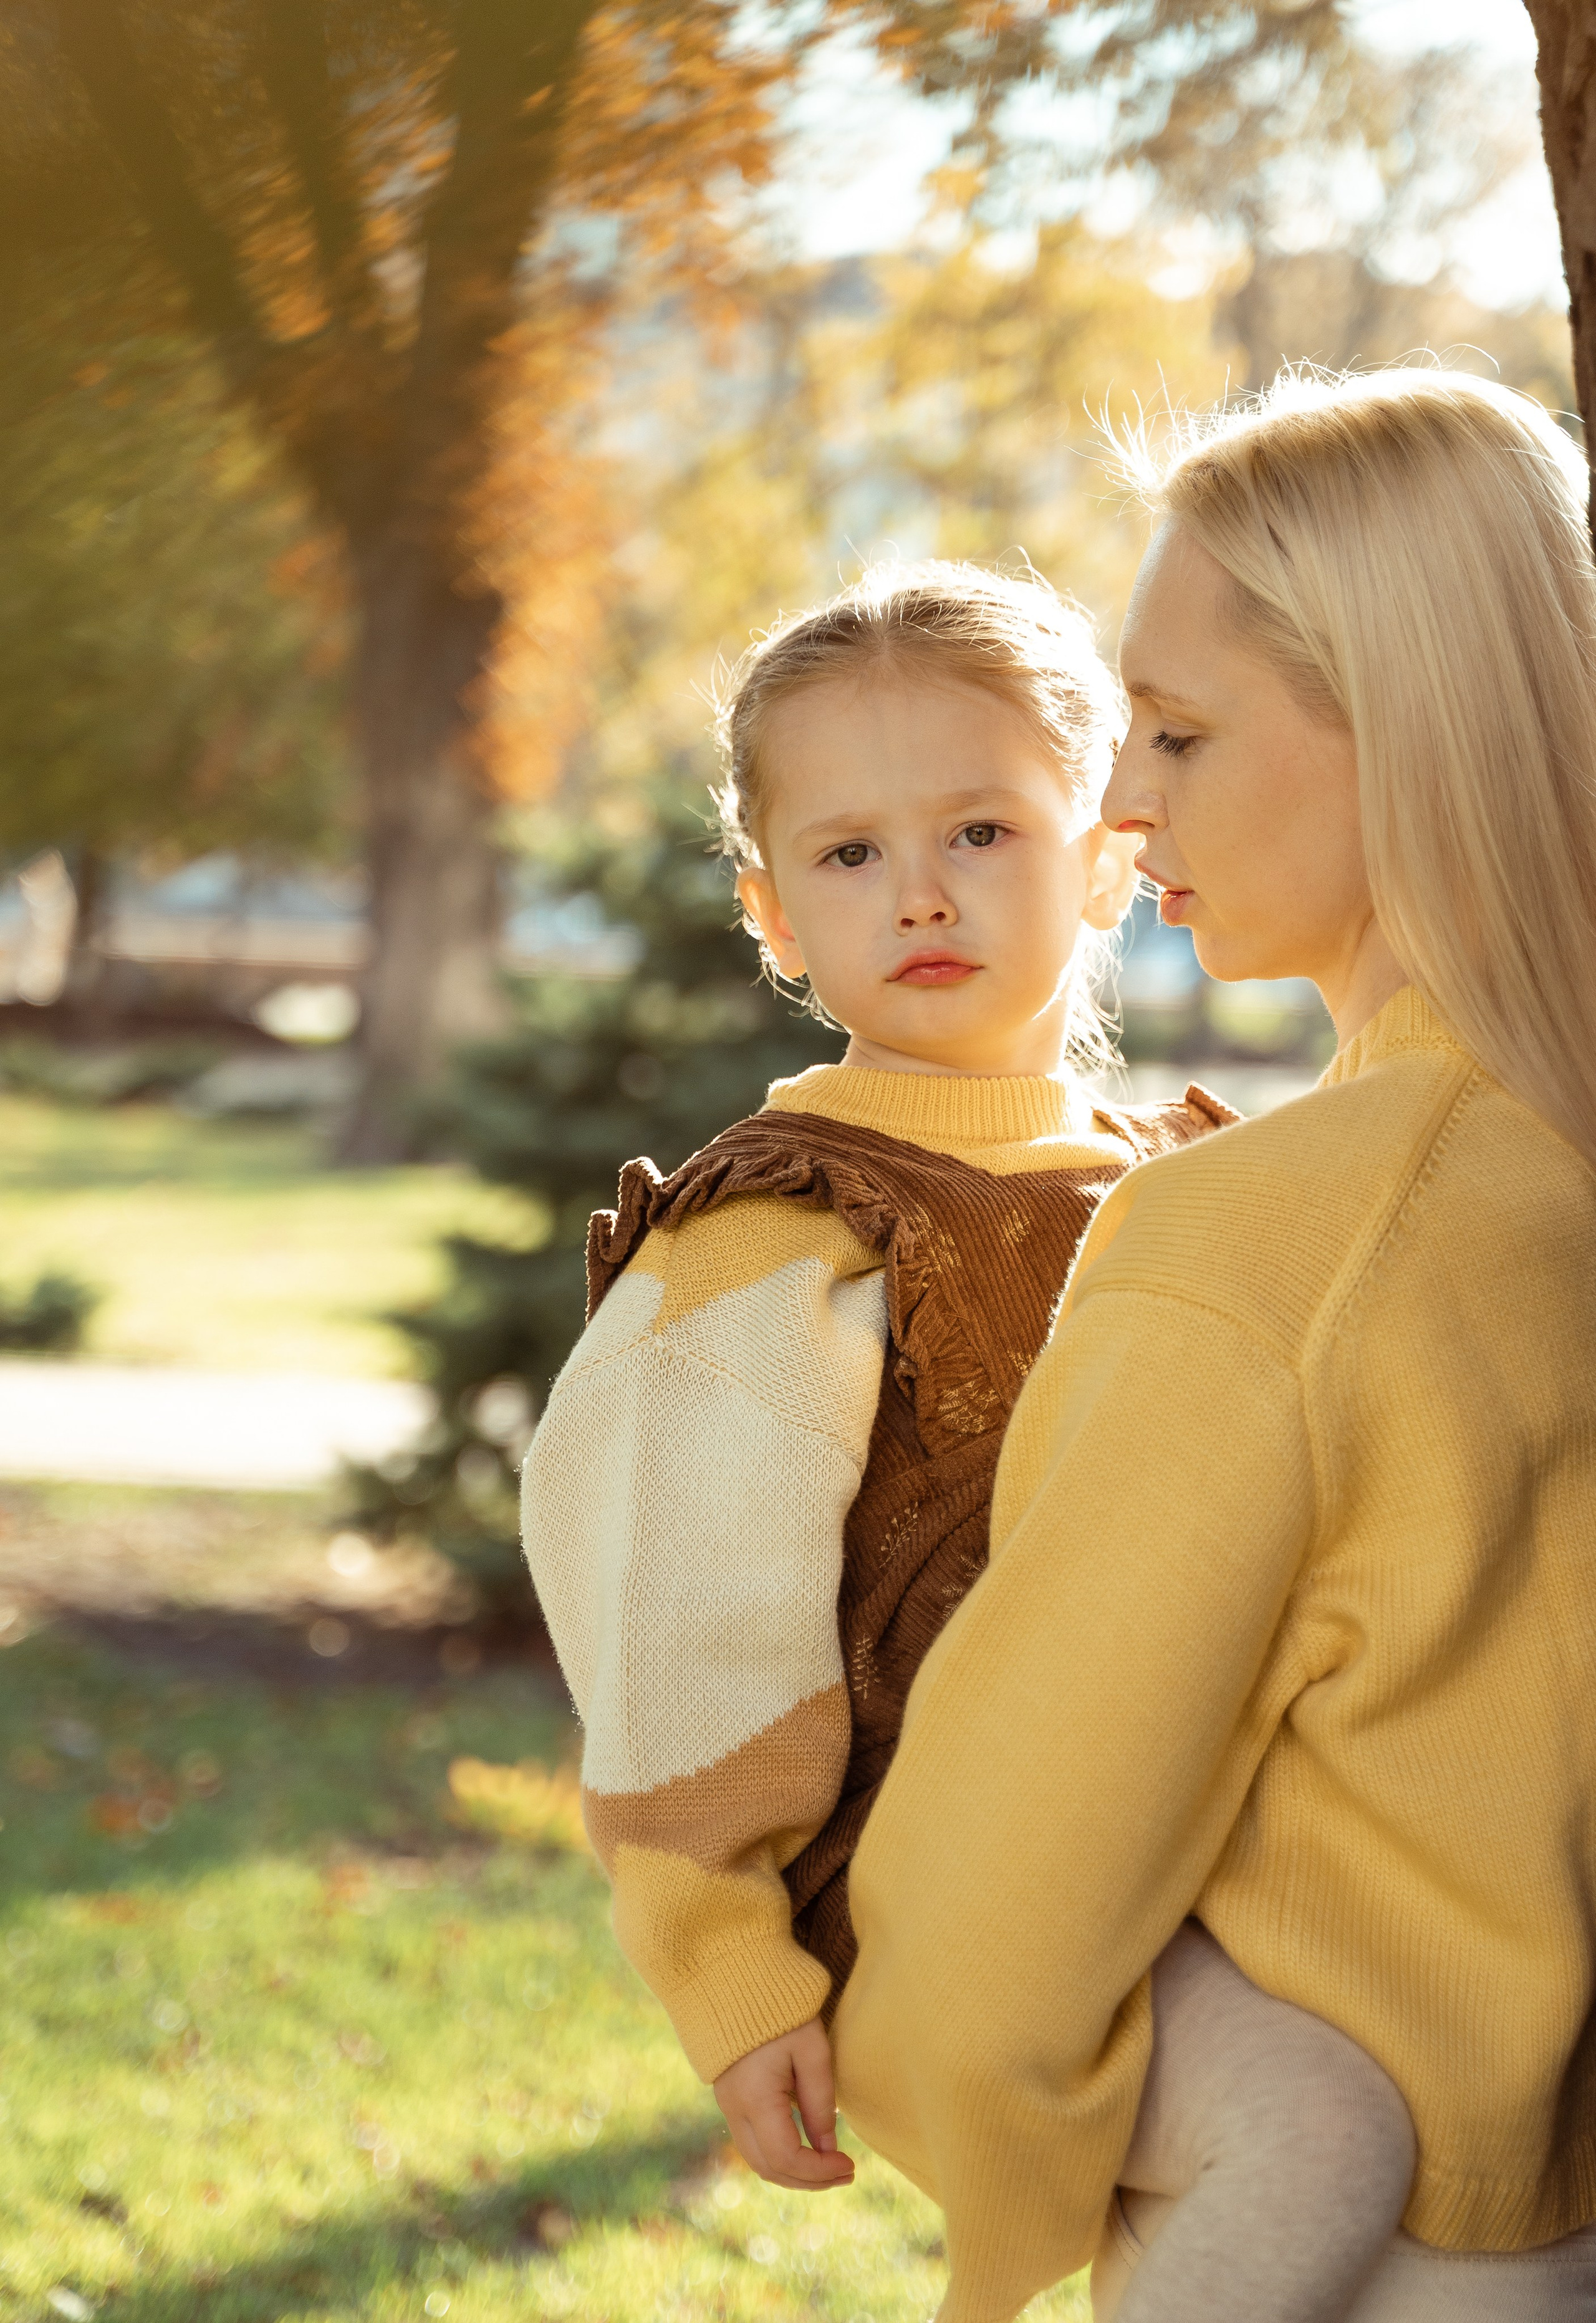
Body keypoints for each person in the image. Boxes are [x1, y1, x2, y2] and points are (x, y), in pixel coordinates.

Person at [522, 559, 1416, 2314]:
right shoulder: (783, 1237)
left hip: (1173, 1827)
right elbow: (681, 1628)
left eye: (984, 833)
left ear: (1107, 860)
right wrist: (730, 1970)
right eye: (851, 855)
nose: (919, 892)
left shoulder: (1187, 1180)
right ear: (776, 913)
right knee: (1320, 2133)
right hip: (926, 1879)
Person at [830, 369, 1596, 2322]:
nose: (1118, 801)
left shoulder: (1278, 1236)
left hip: (1347, 2260)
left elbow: (1000, 1915)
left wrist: (873, 2019)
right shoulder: (1538, 1176)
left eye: (1173, 729)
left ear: (1403, 730)